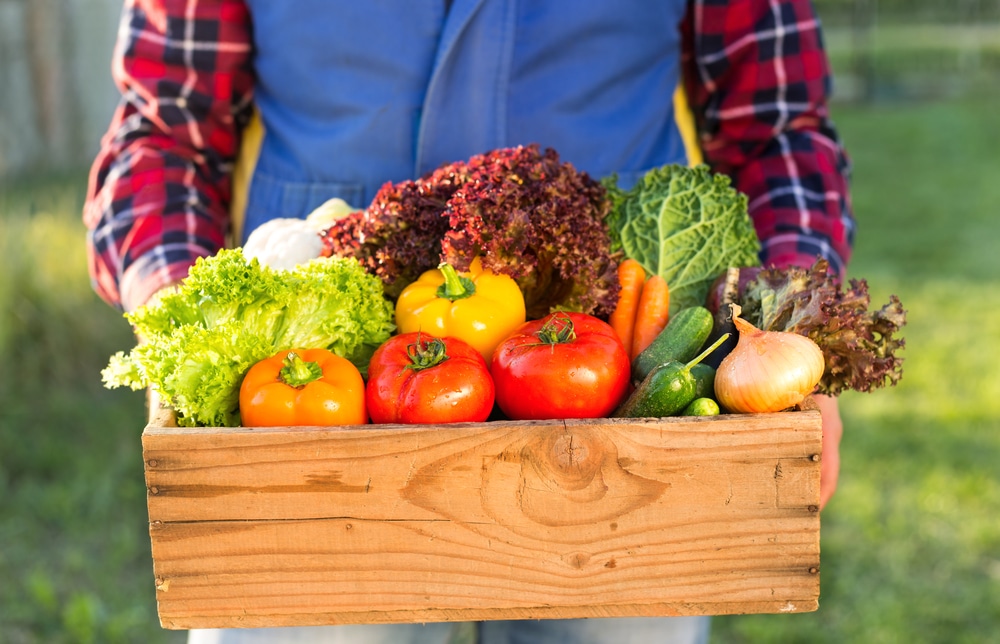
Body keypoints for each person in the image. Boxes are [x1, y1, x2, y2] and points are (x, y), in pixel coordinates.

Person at [84, 1, 851, 642]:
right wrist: (179, 319)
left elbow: (775, 128)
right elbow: (163, 132)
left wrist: (792, 328)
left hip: (618, 374)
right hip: (315, 405)